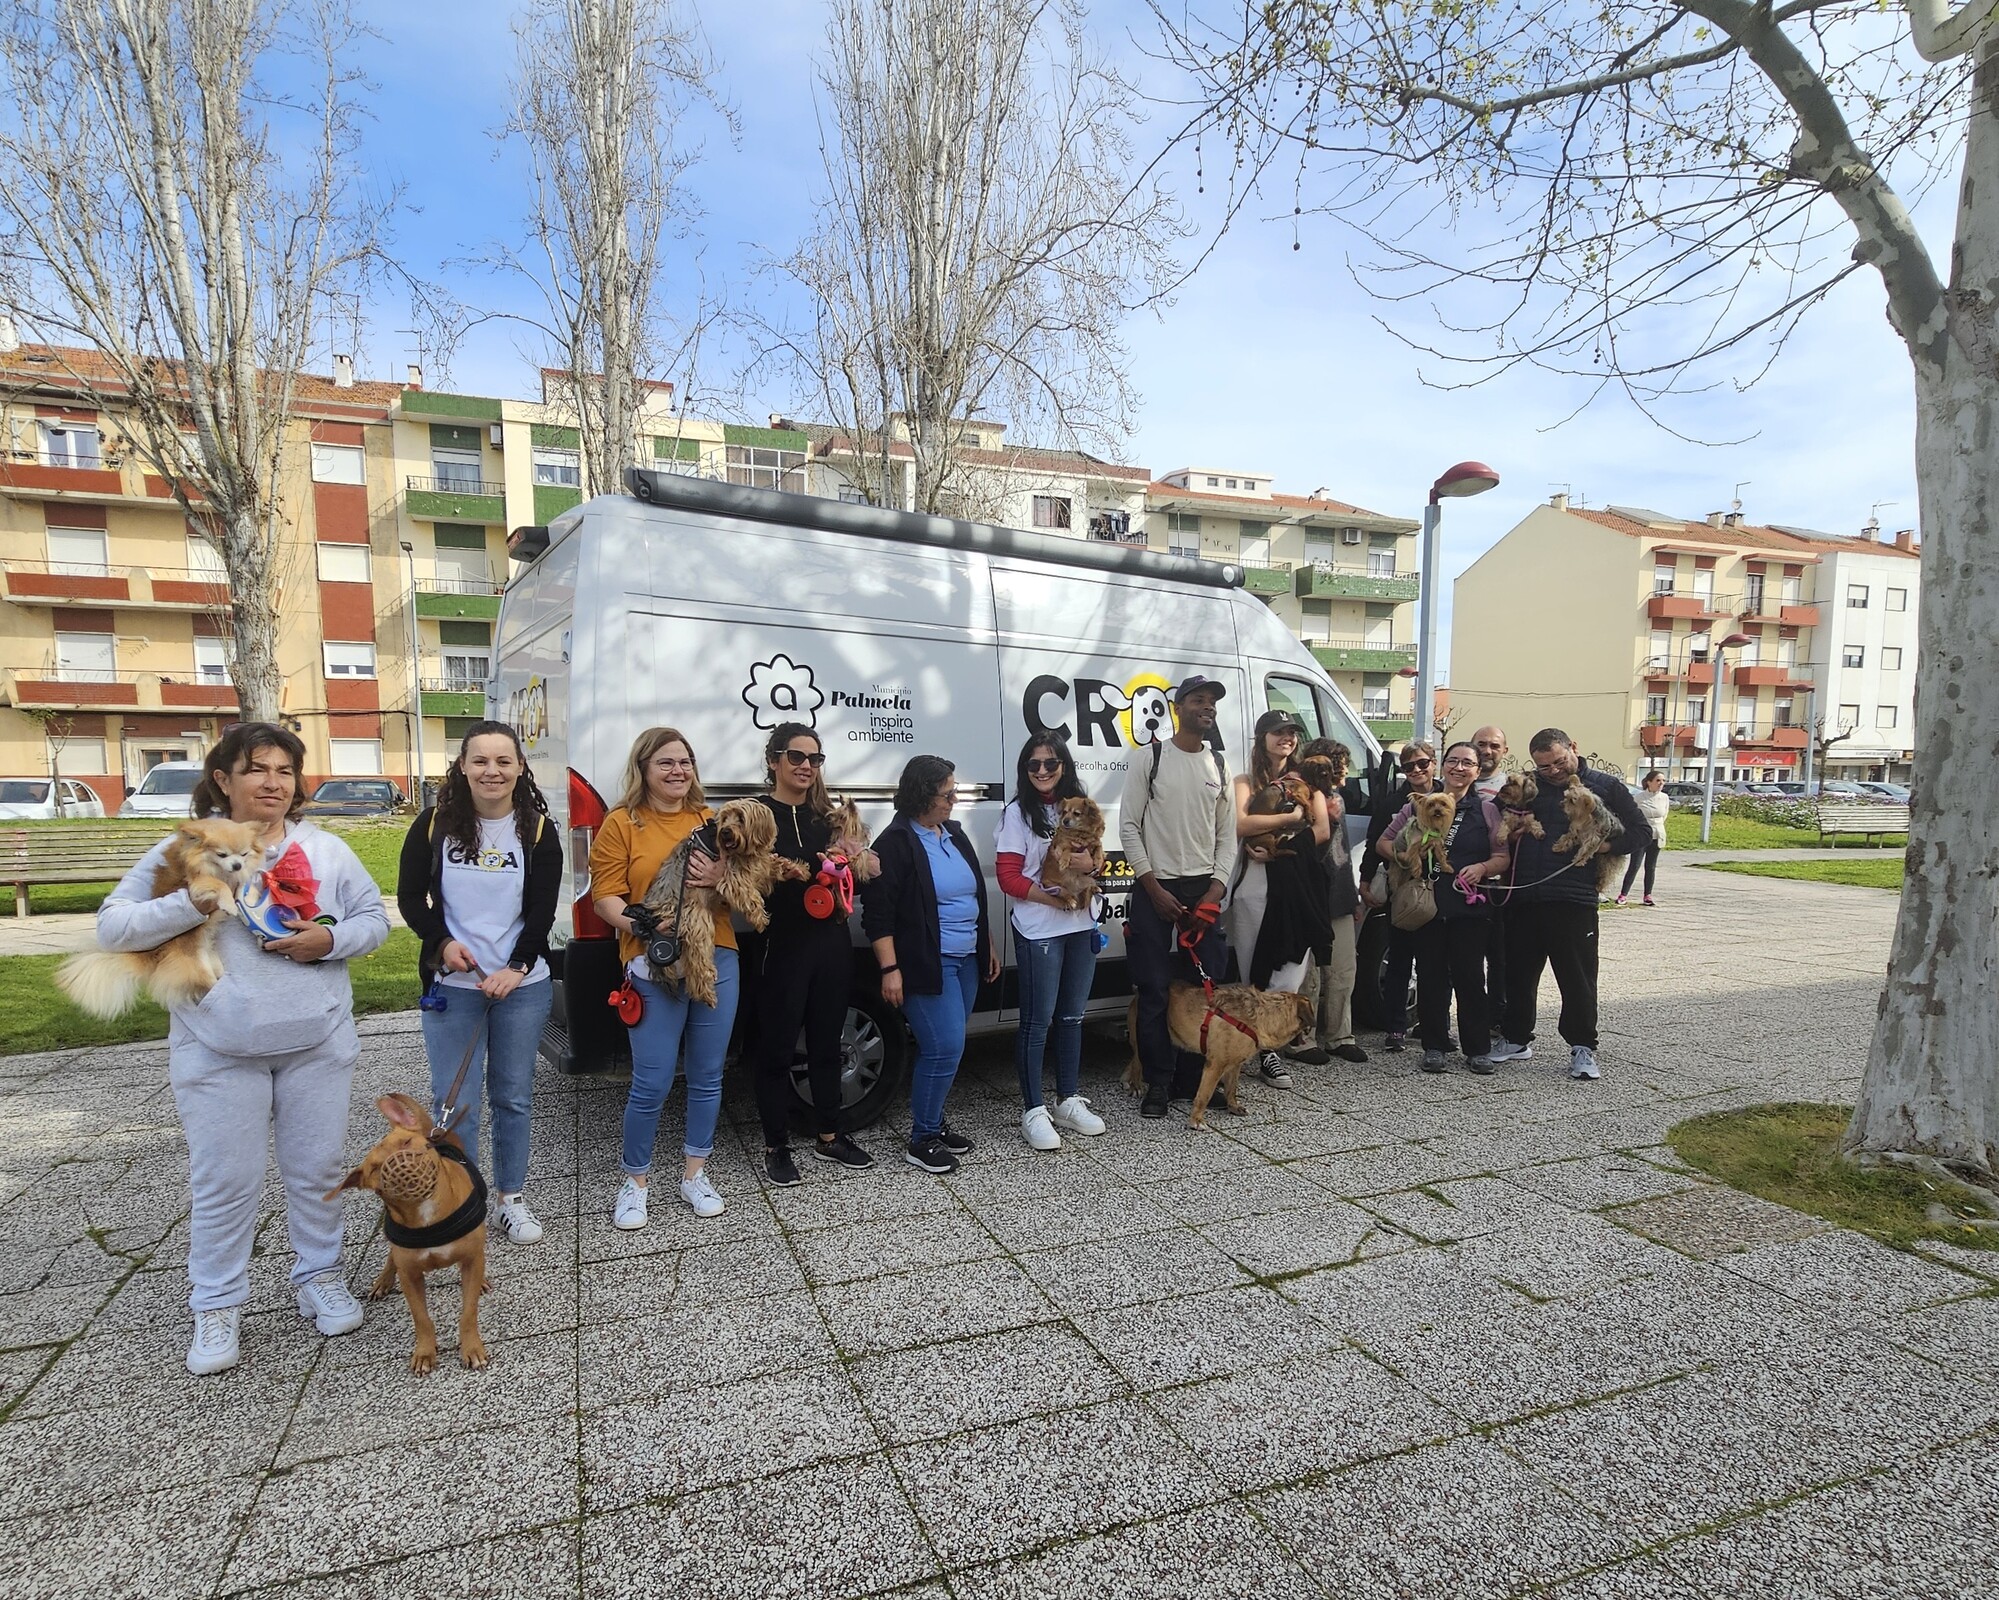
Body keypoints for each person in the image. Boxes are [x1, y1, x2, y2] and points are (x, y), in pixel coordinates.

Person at [95, 723, 389, 1375]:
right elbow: (113, 925)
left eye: (285, 771)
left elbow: (373, 920)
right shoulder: (186, 847)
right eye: (256, 769)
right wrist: (190, 905)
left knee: (317, 1173)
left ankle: (318, 1276)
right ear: (223, 779)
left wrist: (330, 941)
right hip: (219, 1048)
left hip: (315, 1041)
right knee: (226, 1182)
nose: (273, 783)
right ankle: (217, 1304)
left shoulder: (328, 851)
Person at [396, 720, 562, 1245]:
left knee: (512, 1096)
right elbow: (409, 900)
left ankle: (511, 1199)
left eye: (503, 761)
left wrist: (515, 968)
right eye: (481, 761)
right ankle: (460, 1205)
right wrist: (442, 943)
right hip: (454, 988)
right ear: (463, 766)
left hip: (522, 986)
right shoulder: (433, 825)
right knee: (454, 1102)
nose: (493, 771)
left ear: (519, 768)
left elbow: (541, 912)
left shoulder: (536, 830)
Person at [589, 727, 735, 1225]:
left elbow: (742, 885)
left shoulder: (712, 820)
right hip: (654, 959)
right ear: (644, 769)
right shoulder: (622, 823)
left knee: (707, 1075)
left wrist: (722, 878)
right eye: (665, 763)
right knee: (651, 1081)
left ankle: (695, 1173)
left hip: (717, 956)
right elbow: (604, 894)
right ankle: (635, 1181)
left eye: (685, 762)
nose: (677, 771)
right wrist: (644, 924)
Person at [748, 722, 874, 1186]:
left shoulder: (829, 818)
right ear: (773, 761)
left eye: (815, 759)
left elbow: (857, 876)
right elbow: (742, 877)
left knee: (828, 1042)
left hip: (831, 941)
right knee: (777, 1048)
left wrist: (859, 860)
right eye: (797, 757)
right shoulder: (758, 814)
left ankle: (829, 1135)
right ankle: (775, 1145)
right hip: (781, 944)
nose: (806, 766)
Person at [863, 754, 998, 1174]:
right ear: (923, 795)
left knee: (951, 1047)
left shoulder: (953, 834)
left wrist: (987, 943)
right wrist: (890, 969)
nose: (954, 800)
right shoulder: (896, 843)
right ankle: (921, 1139)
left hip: (966, 958)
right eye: (947, 793)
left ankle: (934, 1124)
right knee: (943, 1047)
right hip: (925, 962)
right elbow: (877, 915)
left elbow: (974, 895)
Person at [1491, 729, 1652, 1080]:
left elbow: (1641, 832)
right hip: (1523, 895)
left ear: (1573, 748)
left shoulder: (1605, 786)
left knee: (1577, 979)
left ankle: (1583, 1047)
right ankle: (1516, 1039)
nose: (1552, 771)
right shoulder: (1527, 784)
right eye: (1543, 766)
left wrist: (1602, 848)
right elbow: (1494, 814)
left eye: (1558, 762)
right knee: (1517, 975)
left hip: (1573, 897)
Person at [1119, 676, 1235, 1119]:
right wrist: (1152, 886)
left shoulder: (1219, 765)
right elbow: (1129, 826)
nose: (1207, 708)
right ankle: (1159, 1084)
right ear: (1178, 707)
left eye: (1212, 703)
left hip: (1202, 889)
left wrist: (1217, 889)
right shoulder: (1150, 758)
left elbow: (1227, 836)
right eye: (1198, 700)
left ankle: (1193, 1082)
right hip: (1155, 889)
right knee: (1153, 992)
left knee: (1204, 993)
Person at [995, 734, 1109, 1151]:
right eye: (1034, 765)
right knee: (1037, 1021)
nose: (1042, 771)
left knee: (1073, 1018)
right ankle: (1033, 1109)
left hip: (1081, 924)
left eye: (1051, 762)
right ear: (1025, 771)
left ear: (1064, 764)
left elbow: (1099, 859)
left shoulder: (1082, 803)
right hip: (1039, 926)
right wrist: (1052, 899)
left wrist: (1092, 863)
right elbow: (1008, 876)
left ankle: (1068, 1099)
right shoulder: (1016, 814)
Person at [1380, 742, 1511, 1073]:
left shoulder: (1486, 810)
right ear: (1442, 767)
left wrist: (1482, 868)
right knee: (1431, 977)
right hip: (1427, 906)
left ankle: (1477, 1047)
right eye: (1453, 761)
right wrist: (1405, 858)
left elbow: (1502, 857)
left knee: (1470, 978)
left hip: (1470, 907)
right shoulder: (1420, 805)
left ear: (1477, 772)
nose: (1459, 767)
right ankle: (1434, 1045)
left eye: (1467, 763)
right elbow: (1383, 841)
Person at [1228, 708, 1332, 1084]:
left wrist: (1279, 840)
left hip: (1295, 888)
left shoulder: (1309, 781)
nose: (1285, 738)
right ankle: (1245, 1047)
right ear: (1263, 738)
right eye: (1278, 732)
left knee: (1289, 972)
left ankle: (1271, 1049)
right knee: (1251, 970)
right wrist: (1289, 820)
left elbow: (1320, 830)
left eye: (1291, 733)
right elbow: (1242, 824)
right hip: (1253, 886)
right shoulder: (1245, 780)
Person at [1358, 740, 1438, 1050]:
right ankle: (1395, 1028)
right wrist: (1365, 883)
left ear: (1433, 762)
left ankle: (1433, 1026)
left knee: (1437, 965)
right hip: (1402, 890)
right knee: (1399, 961)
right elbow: (1373, 843)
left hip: (1439, 891)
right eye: (1408, 767)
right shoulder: (1394, 802)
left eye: (1422, 763)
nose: (1416, 770)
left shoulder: (1449, 796)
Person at [1298, 737, 1368, 1064]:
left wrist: (1353, 895)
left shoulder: (1337, 798)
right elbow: (1308, 850)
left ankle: (1340, 1036)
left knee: (1342, 971)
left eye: (1338, 766)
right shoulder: (1296, 799)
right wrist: (1328, 818)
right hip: (1308, 896)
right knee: (1308, 975)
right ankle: (1301, 1039)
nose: (1338, 773)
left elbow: (1342, 854)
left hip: (1339, 896)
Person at [1619, 771, 1670, 906]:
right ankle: (1623, 894)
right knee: (1635, 865)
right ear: (1649, 782)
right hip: (1641, 834)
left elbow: (1664, 815)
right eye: (1658, 780)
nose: (1661, 783)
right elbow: (1631, 816)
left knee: (1650, 866)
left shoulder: (1664, 797)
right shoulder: (1639, 798)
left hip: (1657, 834)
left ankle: (1648, 895)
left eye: (1663, 781)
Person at [1471, 726, 1510, 798]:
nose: (1487, 751)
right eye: (1481, 745)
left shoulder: (1510, 788)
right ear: (1471, 747)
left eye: (1494, 746)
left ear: (1504, 752)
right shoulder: (1450, 784)